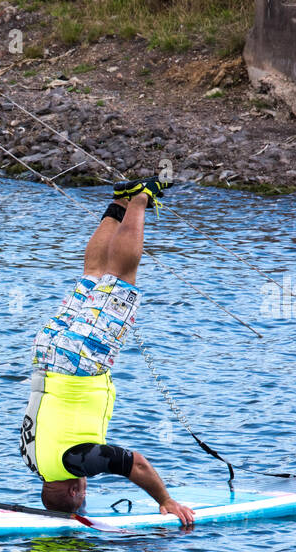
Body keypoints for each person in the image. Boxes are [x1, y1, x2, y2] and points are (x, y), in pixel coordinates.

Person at [19, 178, 196, 527]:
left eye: (83, 492)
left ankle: (142, 197)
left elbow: (135, 464)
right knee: (95, 276)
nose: (86, 488)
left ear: (73, 492)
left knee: (121, 279)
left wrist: (166, 501)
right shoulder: (32, 460)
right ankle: (120, 201)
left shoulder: (75, 462)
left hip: (80, 360)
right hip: (44, 352)